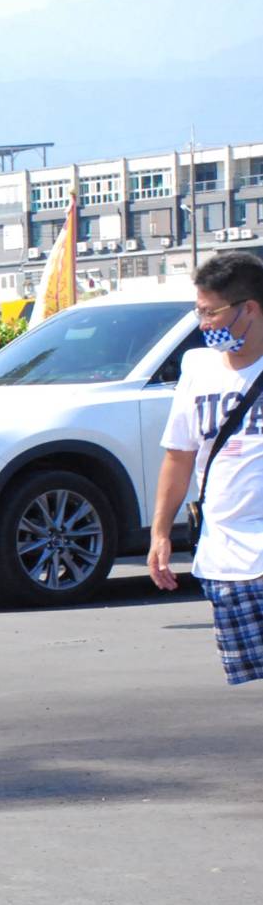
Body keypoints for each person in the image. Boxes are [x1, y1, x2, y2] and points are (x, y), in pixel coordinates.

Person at [148, 251, 263, 684]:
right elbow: (179, 455)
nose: (204, 324)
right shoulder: (198, 370)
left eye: (211, 312)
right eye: (199, 312)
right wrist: (161, 534)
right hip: (226, 560)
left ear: (249, 308)